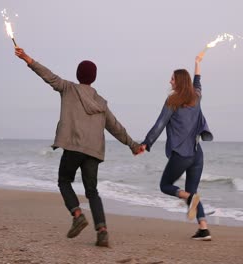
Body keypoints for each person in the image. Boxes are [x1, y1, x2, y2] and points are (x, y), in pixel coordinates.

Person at [15, 47, 143, 247]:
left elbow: (47, 75)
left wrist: (27, 59)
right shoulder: (100, 102)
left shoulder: (68, 88)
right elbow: (115, 127)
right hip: (93, 151)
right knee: (92, 191)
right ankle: (102, 231)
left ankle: (77, 215)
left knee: (64, 181)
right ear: (94, 78)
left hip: (74, 146)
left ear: (78, 75)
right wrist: (133, 145)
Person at [141, 52, 213, 241]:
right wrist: (197, 63)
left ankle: (188, 199)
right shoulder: (196, 97)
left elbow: (159, 124)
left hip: (182, 155)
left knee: (165, 185)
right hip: (197, 155)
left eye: (173, 78)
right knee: (192, 192)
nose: (170, 81)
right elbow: (197, 83)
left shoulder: (172, 101)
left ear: (179, 82)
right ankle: (204, 228)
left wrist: (146, 143)